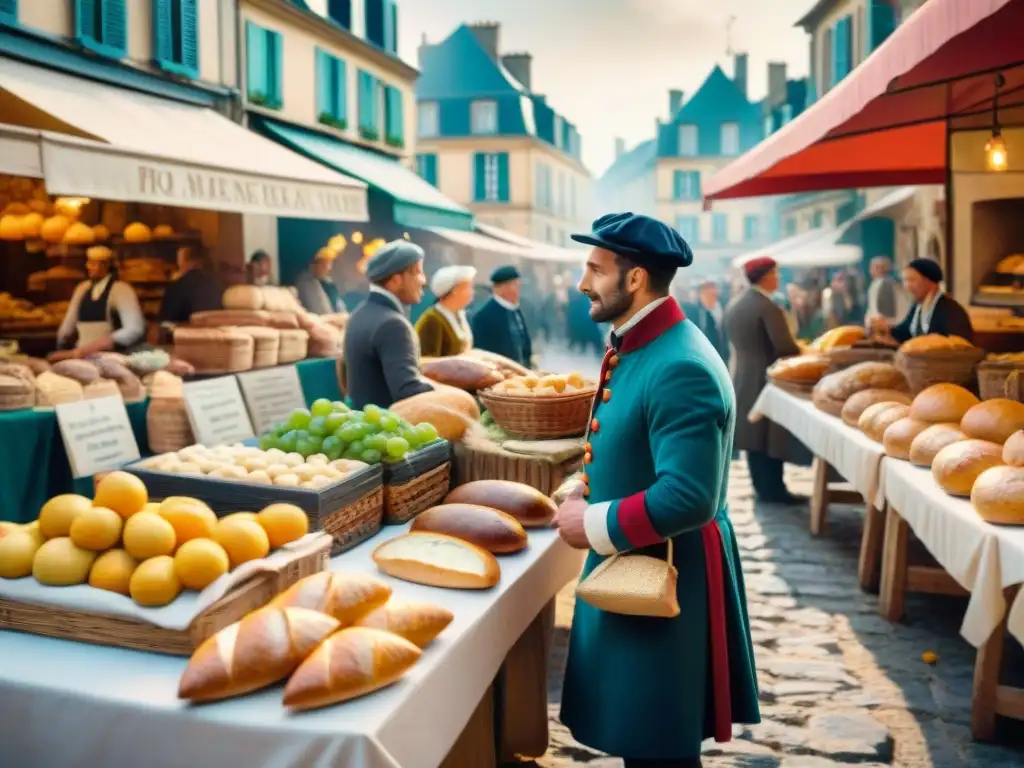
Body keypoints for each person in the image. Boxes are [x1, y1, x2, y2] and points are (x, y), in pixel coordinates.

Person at [554, 213, 760, 768]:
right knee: (643, 738)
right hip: (639, 565)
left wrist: (590, 524)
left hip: (666, 578)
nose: (582, 283)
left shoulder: (678, 364)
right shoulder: (647, 342)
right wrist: (584, 485)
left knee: (658, 747)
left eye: (595, 270)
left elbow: (688, 495)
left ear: (636, 278)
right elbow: (628, 442)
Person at [724, 256, 806, 505]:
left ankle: (762, 487)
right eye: (776, 273)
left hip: (743, 374)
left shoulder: (737, 303)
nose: (778, 278)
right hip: (765, 377)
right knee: (770, 436)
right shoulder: (766, 306)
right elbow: (785, 346)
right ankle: (774, 489)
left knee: (753, 436)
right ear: (766, 276)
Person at [343, 240, 434, 409]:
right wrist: (457, 392)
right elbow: (408, 392)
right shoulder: (393, 325)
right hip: (388, 431)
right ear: (396, 280)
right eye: (418, 272)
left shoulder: (359, 314)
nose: (424, 280)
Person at [55, 245, 146, 356]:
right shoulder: (82, 288)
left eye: (93, 263)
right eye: (88, 262)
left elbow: (134, 329)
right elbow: (68, 323)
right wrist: (60, 344)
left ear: (105, 265)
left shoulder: (121, 290)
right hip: (80, 354)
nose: (88, 266)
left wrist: (105, 343)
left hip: (111, 356)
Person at [870, 258, 973, 343]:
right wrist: (885, 327)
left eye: (912, 280)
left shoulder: (951, 310)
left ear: (930, 282)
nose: (907, 286)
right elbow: (905, 332)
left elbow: (955, 345)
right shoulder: (918, 306)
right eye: (905, 280)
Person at [470, 265, 533, 367]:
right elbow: (480, 354)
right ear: (501, 288)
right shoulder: (483, 316)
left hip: (521, 374)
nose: (518, 290)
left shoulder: (516, 310)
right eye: (515, 285)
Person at [415, 264, 476, 357]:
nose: (472, 292)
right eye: (468, 287)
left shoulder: (459, 315)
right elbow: (426, 361)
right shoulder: (432, 320)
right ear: (455, 290)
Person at [158, 244, 222, 330]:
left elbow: (166, 323)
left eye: (180, 260)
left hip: (185, 337)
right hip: (215, 335)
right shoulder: (216, 285)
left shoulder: (176, 287)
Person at [689, 279, 729, 364]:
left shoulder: (723, 306)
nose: (711, 297)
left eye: (714, 295)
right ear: (701, 294)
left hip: (723, 352)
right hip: (705, 354)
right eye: (708, 294)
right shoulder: (695, 311)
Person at [295, 248, 345, 315]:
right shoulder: (306, 283)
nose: (328, 268)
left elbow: (340, 308)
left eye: (329, 264)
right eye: (323, 265)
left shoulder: (328, 284)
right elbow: (321, 311)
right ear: (312, 265)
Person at [865, 256, 908, 330]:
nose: (870, 270)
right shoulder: (879, 283)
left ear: (880, 268)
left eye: (872, 267)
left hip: (887, 326)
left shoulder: (885, 284)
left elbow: (883, 314)